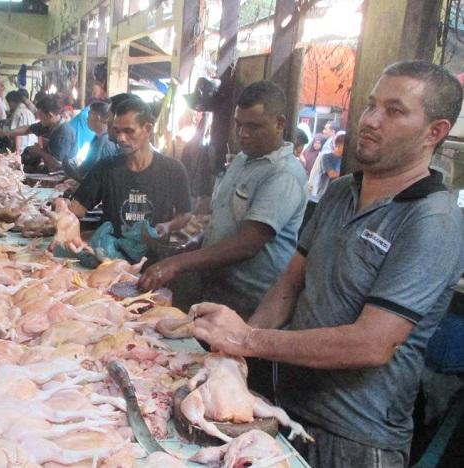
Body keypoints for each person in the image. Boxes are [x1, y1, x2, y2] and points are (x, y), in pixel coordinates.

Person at [191, 60, 464, 468]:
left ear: (435, 132)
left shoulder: (431, 221)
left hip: (355, 435)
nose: (370, 120)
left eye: (394, 110)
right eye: (371, 105)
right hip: (286, 408)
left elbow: (372, 343)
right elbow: (289, 284)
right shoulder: (338, 193)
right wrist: (234, 354)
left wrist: (248, 340)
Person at [138, 81, 307, 397]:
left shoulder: (283, 174)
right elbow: (224, 225)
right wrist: (193, 245)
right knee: (198, 375)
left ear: (280, 124)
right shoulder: (244, 160)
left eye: (253, 127)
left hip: (254, 304)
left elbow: (248, 243)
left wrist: (178, 262)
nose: (243, 134)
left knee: (233, 386)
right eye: (239, 125)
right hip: (220, 289)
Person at [69, 97, 191, 253]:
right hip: (109, 260)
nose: (120, 138)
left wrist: (169, 226)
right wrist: (63, 211)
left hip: (154, 261)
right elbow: (76, 210)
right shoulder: (105, 169)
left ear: (147, 129)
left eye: (128, 131)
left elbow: (185, 213)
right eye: (117, 131)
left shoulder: (173, 170)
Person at [0, 95, 77, 176]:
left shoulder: (63, 133)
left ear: (50, 115)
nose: (39, 118)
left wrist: (40, 151)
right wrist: (6, 132)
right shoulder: (48, 125)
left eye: (40, 115)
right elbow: (28, 129)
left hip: (63, 174)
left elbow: (58, 164)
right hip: (50, 169)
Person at [72, 100, 118, 181]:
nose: (86, 118)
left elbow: (100, 175)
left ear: (97, 117)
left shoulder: (106, 142)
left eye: (89, 113)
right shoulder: (98, 138)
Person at [307, 131, 345, 203]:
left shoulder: (345, 159)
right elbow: (332, 174)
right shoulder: (327, 157)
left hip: (334, 197)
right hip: (320, 197)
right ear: (339, 145)